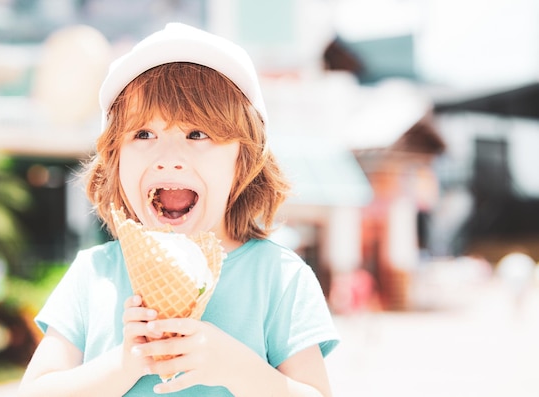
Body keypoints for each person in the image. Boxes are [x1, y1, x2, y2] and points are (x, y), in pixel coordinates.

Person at [17, 22, 340, 397]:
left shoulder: (279, 278)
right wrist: (125, 362)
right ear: (114, 160)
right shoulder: (94, 275)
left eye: (197, 134)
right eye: (143, 134)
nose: (168, 158)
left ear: (244, 160)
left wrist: (238, 369)